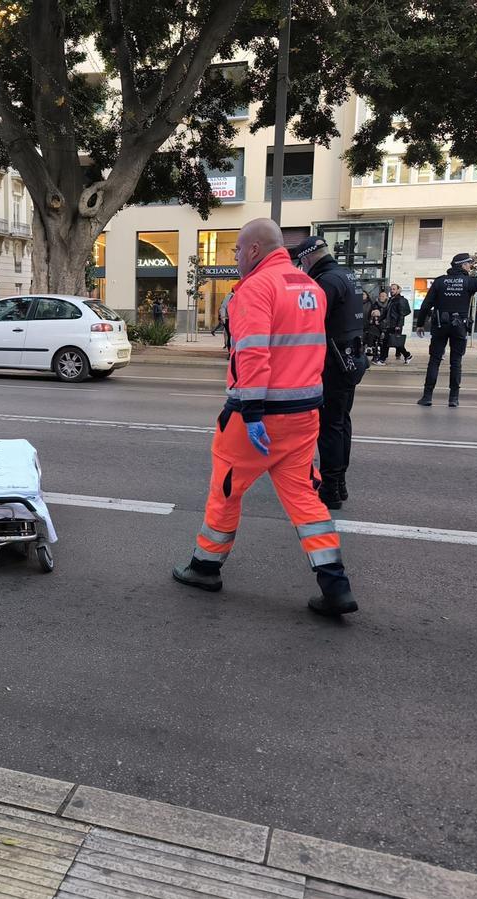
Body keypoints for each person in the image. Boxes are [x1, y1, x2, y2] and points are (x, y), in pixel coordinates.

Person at [172, 218, 356, 616]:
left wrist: (252, 411)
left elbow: (253, 353)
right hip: (304, 415)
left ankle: (205, 567)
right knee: (305, 498)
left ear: (255, 249)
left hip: (258, 416)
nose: (236, 257)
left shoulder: (256, 288)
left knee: (226, 490)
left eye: (238, 250)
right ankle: (336, 586)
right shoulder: (310, 287)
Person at [292, 236, 366, 511]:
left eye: (302, 263)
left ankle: (331, 489)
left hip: (333, 362)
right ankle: (340, 483)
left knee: (330, 427)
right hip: (351, 358)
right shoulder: (347, 275)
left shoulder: (325, 282)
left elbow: (308, 322)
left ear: (308, 258)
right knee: (342, 422)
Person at [415, 252, 477, 407]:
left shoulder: (440, 281)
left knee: (434, 361)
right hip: (459, 326)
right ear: (462, 265)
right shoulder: (470, 282)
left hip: (440, 325)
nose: (470, 267)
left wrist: (420, 324)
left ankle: (427, 397)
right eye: (469, 264)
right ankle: (453, 398)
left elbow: (426, 305)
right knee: (456, 362)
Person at [382, 283, 413, 364]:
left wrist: (398, 325)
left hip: (395, 325)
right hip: (390, 324)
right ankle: (407, 355)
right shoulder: (391, 300)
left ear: (398, 290)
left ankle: (382, 359)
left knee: (393, 342)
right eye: (391, 289)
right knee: (391, 342)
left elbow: (401, 314)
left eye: (394, 289)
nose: (392, 291)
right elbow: (386, 312)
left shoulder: (400, 300)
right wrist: (380, 319)